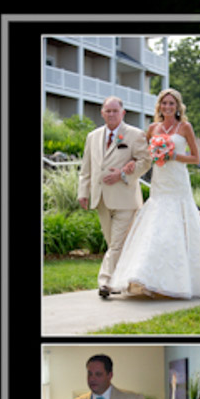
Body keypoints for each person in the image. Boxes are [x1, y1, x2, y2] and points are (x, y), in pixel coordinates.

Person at [108, 88, 200, 299]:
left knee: (178, 224)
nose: (168, 107)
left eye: (172, 104)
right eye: (164, 103)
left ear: (178, 107)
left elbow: (196, 158)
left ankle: (182, 281)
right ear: (159, 106)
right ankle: (147, 279)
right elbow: (144, 154)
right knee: (156, 226)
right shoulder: (152, 128)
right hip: (159, 183)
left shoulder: (185, 127)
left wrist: (173, 155)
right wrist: (129, 164)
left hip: (178, 183)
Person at [78, 97, 151, 299]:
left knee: (117, 244)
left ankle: (106, 282)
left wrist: (123, 174)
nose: (111, 114)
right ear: (102, 112)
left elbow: (145, 161)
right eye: (107, 111)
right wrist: (83, 192)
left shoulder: (135, 135)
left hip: (126, 198)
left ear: (122, 113)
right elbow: (86, 168)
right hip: (100, 198)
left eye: (115, 111)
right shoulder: (92, 136)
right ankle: (123, 281)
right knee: (114, 244)